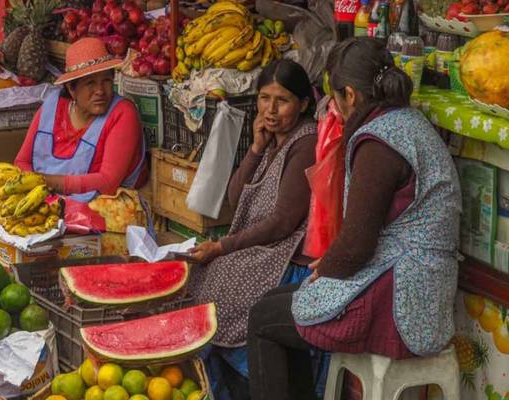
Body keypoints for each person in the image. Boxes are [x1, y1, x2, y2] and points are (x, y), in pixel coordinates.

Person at [247, 37, 461, 400]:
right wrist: (328, 267)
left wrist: (326, 267)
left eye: (334, 99)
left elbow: (357, 245)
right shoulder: (405, 121)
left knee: (264, 320)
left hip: (403, 300)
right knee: (276, 304)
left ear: (350, 95)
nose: (334, 109)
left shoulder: (379, 144)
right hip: (417, 286)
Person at [187, 60, 318, 399]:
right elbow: (234, 198)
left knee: (221, 291)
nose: (270, 110)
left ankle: (239, 385)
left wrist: (223, 247)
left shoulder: (305, 144)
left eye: (282, 100)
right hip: (263, 243)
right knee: (200, 280)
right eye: (263, 98)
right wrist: (257, 148)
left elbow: (283, 221)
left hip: (286, 253)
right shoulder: (274, 140)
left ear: (304, 104)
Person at [14, 37, 147, 202]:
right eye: (90, 83)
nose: (100, 91)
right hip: (44, 201)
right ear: (71, 89)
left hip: (106, 214)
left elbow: (107, 183)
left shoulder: (122, 113)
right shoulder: (52, 107)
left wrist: (42, 182)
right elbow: (21, 161)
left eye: (106, 80)